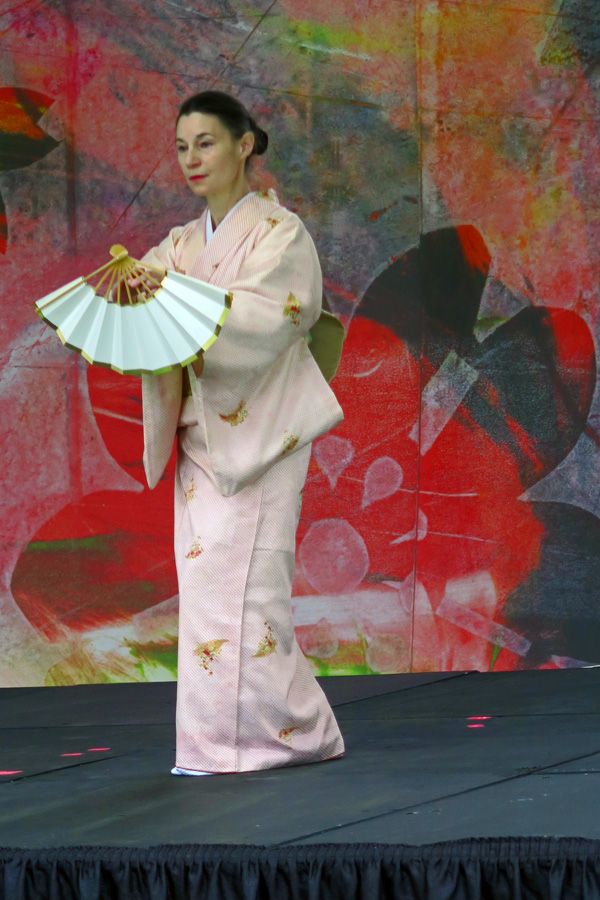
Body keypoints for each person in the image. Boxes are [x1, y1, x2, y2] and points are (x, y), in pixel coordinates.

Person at [139, 91, 346, 775]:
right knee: (206, 593)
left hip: (266, 431)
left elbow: (278, 314)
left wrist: (178, 302)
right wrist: (133, 287)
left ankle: (284, 735)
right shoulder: (178, 245)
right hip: (203, 438)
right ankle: (219, 743)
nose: (191, 159)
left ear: (244, 145)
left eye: (205, 143)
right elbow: (146, 304)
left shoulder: (279, 233)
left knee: (256, 589)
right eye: (181, 147)